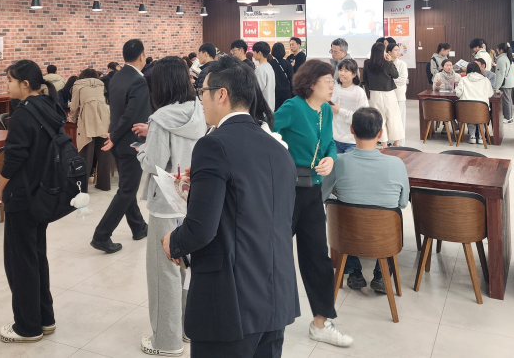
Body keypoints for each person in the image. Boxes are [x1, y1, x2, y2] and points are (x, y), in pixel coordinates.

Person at [163, 55, 298, 358]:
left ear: (221, 94)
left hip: (231, 300)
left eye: (203, 92)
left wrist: (173, 241)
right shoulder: (277, 148)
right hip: (275, 295)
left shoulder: (213, 144)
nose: (200, 101)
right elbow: (262, 210)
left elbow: (201, 229)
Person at [272, 60, 352, 348]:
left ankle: (321, 322)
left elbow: (329, 142)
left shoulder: (326, 111)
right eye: (328, 81)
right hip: (286, 193)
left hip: (312, 192)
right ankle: (267, 317)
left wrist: (331, 157)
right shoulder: (293, 107)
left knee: (318, 257)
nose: (333, 85)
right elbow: (266, 132)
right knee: (275, 255)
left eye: (333, 81)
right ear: (311, 82)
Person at [134, 56, 206, 355]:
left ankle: (166, 341)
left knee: (164, 271)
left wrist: (142, 150)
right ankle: (186, 329)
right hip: (192, 199)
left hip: (165, 202)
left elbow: (153, 162)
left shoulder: (161, 117)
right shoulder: (198, 109)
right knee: (186, 268)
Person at [0, 60, 60, 342]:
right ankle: (45, 318)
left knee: (21, 262)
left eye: (9, 80)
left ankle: (28, 327)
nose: (6, 85)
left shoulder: (22, 114)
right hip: (43, 192)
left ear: (25, 84)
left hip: (22, 196)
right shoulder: (49, 106)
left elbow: (14, 159)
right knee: (36, 255)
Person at [321, 108, 410, 293]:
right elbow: (402, 203)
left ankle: (354, 272)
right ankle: (381, 275)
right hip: (384, 238)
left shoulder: (337, 162)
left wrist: (338, 198)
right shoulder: (397, 164)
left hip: (347, 238)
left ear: (351, 129)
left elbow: (322, 195)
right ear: (380, 133)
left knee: (344, 219)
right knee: (391, 220)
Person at [91, 39, 151, 254]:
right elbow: (130, 115)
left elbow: (117, 111)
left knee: (128, 186)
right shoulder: (138, 81)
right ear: (142, 55)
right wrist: (115, 137)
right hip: (130, 142)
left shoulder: (116, 76)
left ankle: (138, 227)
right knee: (127, 190)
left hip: (118, 140)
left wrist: (113, 136)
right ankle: (101, 235)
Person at [68, 68, 112, 191]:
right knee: (104, 151)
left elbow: (74, 105)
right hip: (104, 116)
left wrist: (72, 118)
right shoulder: (101, 84)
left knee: (85, 152)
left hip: (88, 117)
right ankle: (104, 185)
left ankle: (82, 187)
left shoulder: (78, 84)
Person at [361, 42, 405, 147]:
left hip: (374, 94)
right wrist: (390, 62)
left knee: (379, 118)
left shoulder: (367, 63)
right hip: (389, 93)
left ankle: (384, 144)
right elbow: (395, 75)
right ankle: (396, 143)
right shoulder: (387, 63)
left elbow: (365, 79)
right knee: (394, 117)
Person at [329, 58, 368, 155]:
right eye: (340, 70)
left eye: (346, 71)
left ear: (354, 74)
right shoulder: (333, 87)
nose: (342, 73)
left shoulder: (359, 92)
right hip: (333, 138)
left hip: (351, 140)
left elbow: (363, 118)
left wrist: (340, 111)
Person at [456, 62, 494, 144]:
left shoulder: (463, 80)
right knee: (482, 118)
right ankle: (481, 137)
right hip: (482, 108)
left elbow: (458, 93)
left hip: (467, 109)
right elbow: (490, 94)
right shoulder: (485, 80)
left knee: (469, 115)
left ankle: (472, 136)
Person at [386, 38, 409, 134]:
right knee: (389, 119)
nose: (398, 52)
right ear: (389, 52)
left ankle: (400, 140)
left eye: (398, 50)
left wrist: (389, 81)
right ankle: (390, 139)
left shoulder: (402, 64)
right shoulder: (385, 63)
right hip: (387, 95)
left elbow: (403, 80)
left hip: (399, 95)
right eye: (395, 50)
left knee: (400, 120)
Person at [494, 43, 514, 123]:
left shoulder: (501, 59)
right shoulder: (508, 57)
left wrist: (496, 87)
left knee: (506, 100)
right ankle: (510, 117)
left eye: (497, 49)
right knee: (508, 99)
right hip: (510, 81)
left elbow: (500, 75)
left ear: (501, 50)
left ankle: (507, 118)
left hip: (505, 82)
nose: (497, 50)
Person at [251, 41, 276, 111]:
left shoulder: (260, 70)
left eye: (254, 51)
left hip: (262, 109)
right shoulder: (269, 66)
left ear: (260, 53)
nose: (253, 54)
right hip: (270, 106)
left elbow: (256, 91)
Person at [269, 42, 293, 110]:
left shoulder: (270, 63)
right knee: (286, 110)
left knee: (276, 110)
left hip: (275, 91)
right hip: (286, 91)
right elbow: (291, 78)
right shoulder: (287, 63)